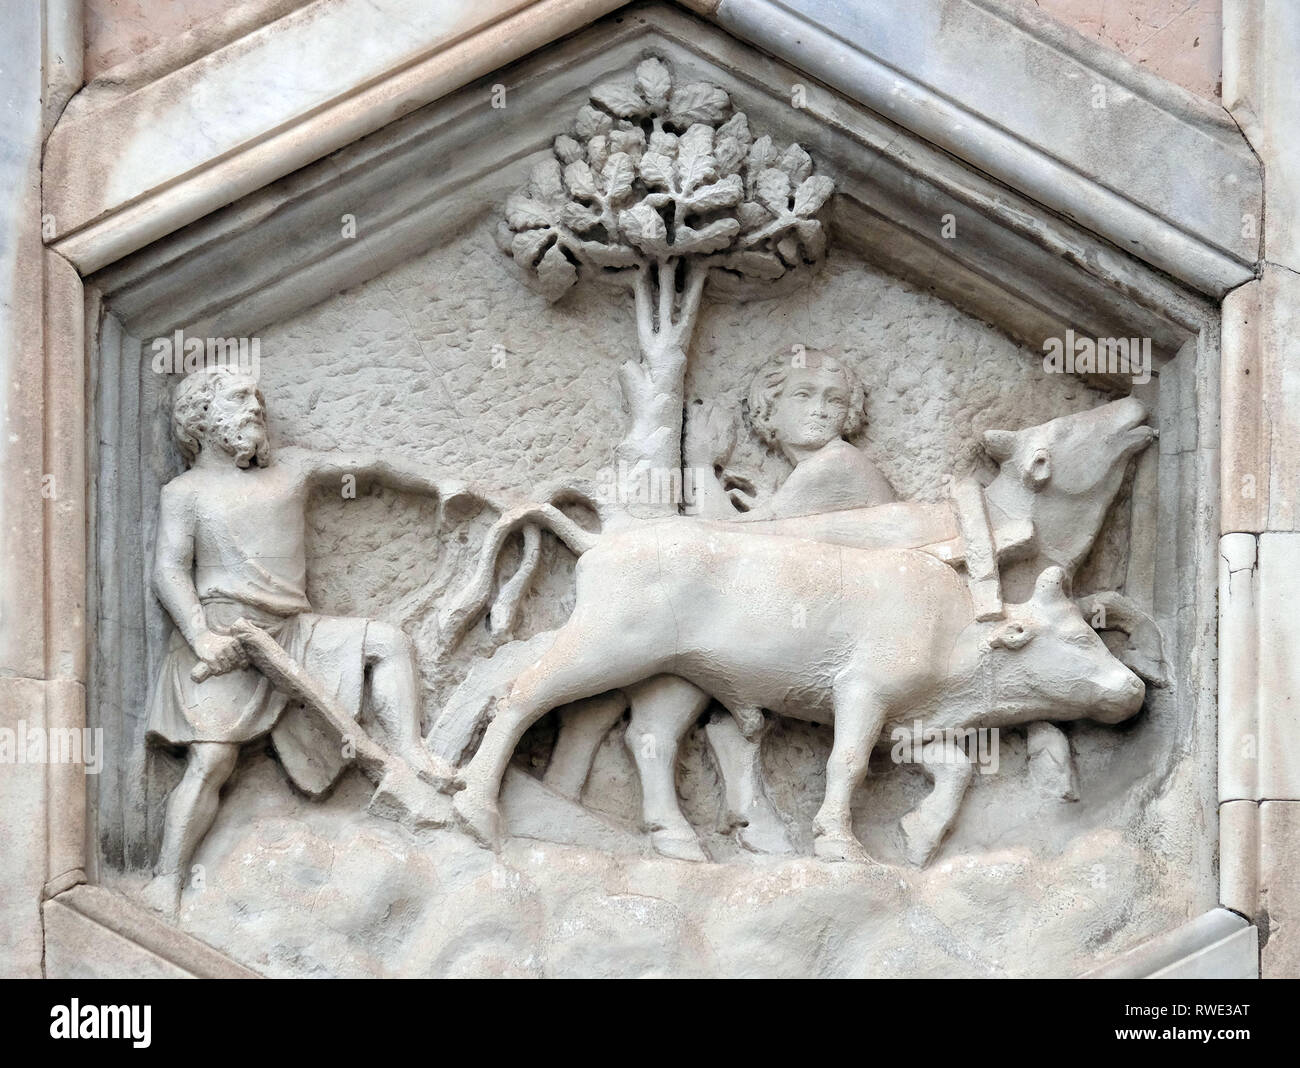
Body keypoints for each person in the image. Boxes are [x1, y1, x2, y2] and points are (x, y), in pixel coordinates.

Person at [141, 366, 453, 915]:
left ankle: (410, 750)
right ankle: (167, 878)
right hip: (228, 639)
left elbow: (366, 467)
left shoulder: (291, 469)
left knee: (387, 642)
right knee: (212, 761)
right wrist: (200, 637)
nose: (255, 406)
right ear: (202, 417)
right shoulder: (186, 492)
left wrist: (438, 485)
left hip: (296, 632)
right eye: (240, 398)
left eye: (258, 397)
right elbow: (169, 570)